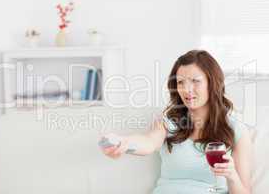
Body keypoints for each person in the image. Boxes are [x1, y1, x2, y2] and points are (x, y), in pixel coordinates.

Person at [100, 50, 252, 194]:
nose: (186, 89)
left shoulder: (235, 130)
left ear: (212, 83)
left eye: (195, 81)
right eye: (180, 82)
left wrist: (232, 176)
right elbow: (149, 142)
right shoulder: (169, 122)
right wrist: (125, 142)